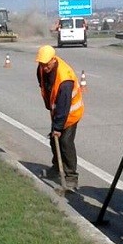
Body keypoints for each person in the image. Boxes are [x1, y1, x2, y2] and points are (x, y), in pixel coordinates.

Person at [36, 45, 84, 191]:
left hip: (70, 113)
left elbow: (64, 106)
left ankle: (71, 178)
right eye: (41, 64)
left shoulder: (65, 79)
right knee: (53, 140)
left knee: (65, 142)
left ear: (53, 60)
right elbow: (43, 84)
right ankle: (57, 168)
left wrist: (57, 127)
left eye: (46, 65)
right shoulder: (42, 68)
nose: (44, 68)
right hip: (57, 111)